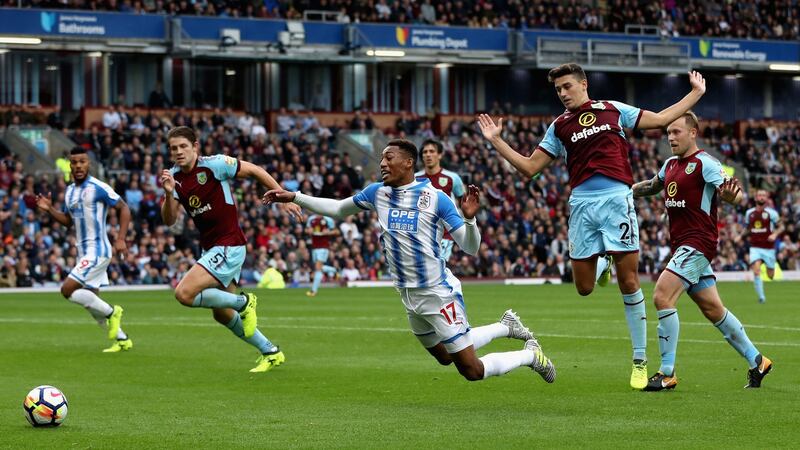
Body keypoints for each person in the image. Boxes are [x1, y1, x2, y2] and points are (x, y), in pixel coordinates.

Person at [477, 63, 706, 389]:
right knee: (583, 287)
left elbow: (659, 120)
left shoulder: (612, 110)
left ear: (584, 84)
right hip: (582, 206)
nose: (563, 94)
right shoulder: (559, 126)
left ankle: (639, 361)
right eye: (558, 90)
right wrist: (496, 141)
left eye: (567, 86)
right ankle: (603, 263)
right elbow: (530, 168)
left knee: (629, 280)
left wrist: (695, 93)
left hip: (616, 200)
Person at [265, 139, 556, 383]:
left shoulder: (436, 198)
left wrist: (470, 219)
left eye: (388, 158)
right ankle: (507, 326)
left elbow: (471, 247)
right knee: (444, 356)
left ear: (408, 163)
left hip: (437, 293)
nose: (382, 163)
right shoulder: (377, 193)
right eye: (381, 158)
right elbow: (340, 209)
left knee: (471, 370)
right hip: (408, 295)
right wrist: (296, 196)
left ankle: (531, 355)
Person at [631, 112, 772, 390]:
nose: (671, 137)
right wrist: (625, 190)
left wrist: (733, 197)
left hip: (698, 243)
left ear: (693, 132)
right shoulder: (670, 164)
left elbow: (735, 193)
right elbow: (652, 186)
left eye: (677, 132)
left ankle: (667, 372)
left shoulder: (706, 163)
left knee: (662, 295)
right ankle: (758, 360)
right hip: (683, 245)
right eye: (668, 133)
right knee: (713, 309)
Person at [160, 126, 302, 373]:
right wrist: (169, 194)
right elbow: (170, 220)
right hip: (212, 248)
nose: (178, 152)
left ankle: (244, 302)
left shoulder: (215, 165)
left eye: (183, 146)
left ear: (195, 146)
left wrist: (283, 197)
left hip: (229, 244)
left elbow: (255, 170)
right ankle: (270, 351)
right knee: (222, 315)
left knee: (184, 294)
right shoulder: (174, 178)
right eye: (174, 148)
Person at [35, 148, 133, 353]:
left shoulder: (98, 187)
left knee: (67, 290)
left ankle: (113, 312)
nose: (78, 166)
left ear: (89, 164)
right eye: (74, 162)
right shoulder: (70, 191)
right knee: (90, 301)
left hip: (97, 251)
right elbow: (68, 221)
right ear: (70, 165)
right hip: (84, 252)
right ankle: (122, 339)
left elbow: (124, 208)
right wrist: (50, 210)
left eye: (82, 162)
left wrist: (121, 238)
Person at [415, 139, 465, 263]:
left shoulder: (453, 178)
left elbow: (463, 203)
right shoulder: (414, 179)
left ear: (440, 155)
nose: (428, 154)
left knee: (437, 265)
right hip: (421, 232)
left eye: (432, 151)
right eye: (425, 152)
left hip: (445, 233)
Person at [735, 190, 783, 303]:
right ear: (755, 198)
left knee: (770, 275)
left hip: (769, 248)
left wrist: (775, 234)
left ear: (766, 199)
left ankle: (769, 269)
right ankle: (762, 297)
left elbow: (781, 227)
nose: (761, 197)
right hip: (755, 247)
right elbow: (747, 228)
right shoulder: (749, 213)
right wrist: (740, 236)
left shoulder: (772, 213)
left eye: (763, 195)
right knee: (756, 271)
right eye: (759, 195)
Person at [305, 214, 339, 297]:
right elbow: (307, 230)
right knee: (318, 267)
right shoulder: (311, 218)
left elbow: (337, 231)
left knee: (318, 268)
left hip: (323, 247)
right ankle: (335, 270)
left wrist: (329, 232)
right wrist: (309, 231)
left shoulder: (328, 219)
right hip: (314, 247)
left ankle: (313, 290)